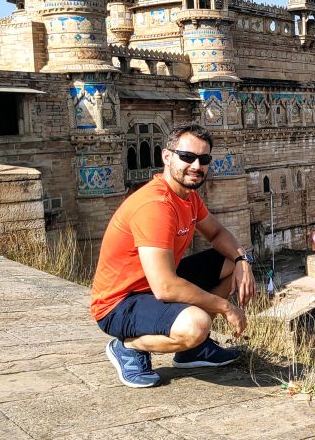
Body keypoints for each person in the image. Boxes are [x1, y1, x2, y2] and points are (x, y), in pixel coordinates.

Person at [90, 123, 257, 388]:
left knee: (228, 263)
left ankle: (193, 351)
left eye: (204, 159)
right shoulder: (155, 206)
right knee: (196, 325)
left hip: (152, 287)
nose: (196, 165)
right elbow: (166, 287)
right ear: (167, 157)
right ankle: (129, 347)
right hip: (120, 302)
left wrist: (242, 261)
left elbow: (217, 234)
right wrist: (226, 307)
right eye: (187, 157)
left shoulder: (187, 196)